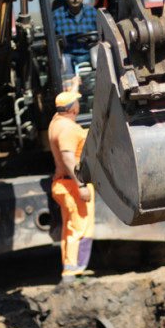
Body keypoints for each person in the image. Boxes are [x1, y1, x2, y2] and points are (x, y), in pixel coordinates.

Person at [48, 89, 95, 284]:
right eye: (76, 102)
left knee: (71, 228)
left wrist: (74, 86)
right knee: (78, 229)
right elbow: (68, 159)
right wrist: (81, 184)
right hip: (72, 185)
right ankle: (71, 273)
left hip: (64, 183)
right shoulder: (67, 129)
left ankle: (74, 269)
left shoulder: (56, 121)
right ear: (73, 109)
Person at [52, 0, 98, 77]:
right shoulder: (56, 15)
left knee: (99, 57)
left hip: (89, 52)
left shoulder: (93, 12)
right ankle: (68, 86)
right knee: (63, 65)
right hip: (68, 54)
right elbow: (52, 39)